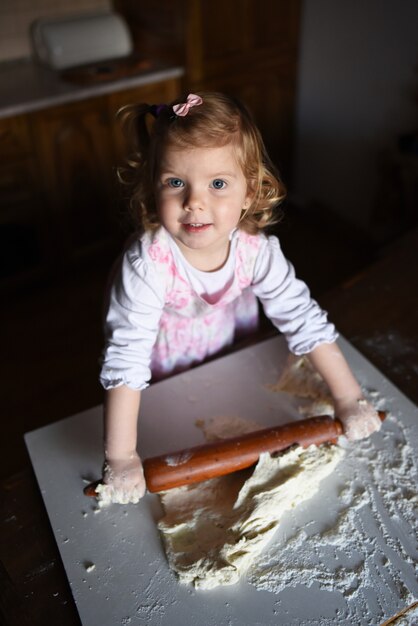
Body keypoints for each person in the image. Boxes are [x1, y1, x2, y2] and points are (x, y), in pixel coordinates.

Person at [98, 92, 381, 504]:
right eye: (176, 182)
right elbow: (126, 360)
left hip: (233, 348)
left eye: (217, 184)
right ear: (153, 185)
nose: (195, 201)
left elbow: (303, 319)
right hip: (166, 370)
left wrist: (349, 399)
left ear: (249, 192)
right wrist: (122, 458)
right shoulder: (147, 265)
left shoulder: (256, 252)